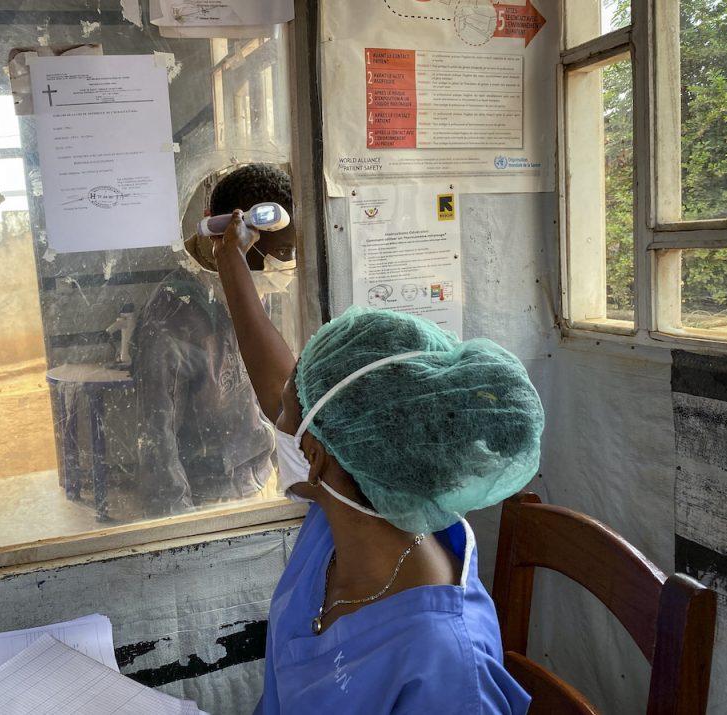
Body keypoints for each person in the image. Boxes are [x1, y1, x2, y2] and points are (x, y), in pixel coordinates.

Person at [211, 210, 544, 712]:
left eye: (287, 407)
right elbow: (271, 379)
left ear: (315, 458)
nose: (276, 408)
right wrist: (229, 258)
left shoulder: (446, 668)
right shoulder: (350, 510)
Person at [132, 164, 298, 517]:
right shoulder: (175, 320)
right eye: (283, 252)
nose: (290, 264)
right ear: (238, 238)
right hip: (210, 501)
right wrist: (181, 525)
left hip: (256, 479)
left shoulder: (251, 290)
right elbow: (158, 442)